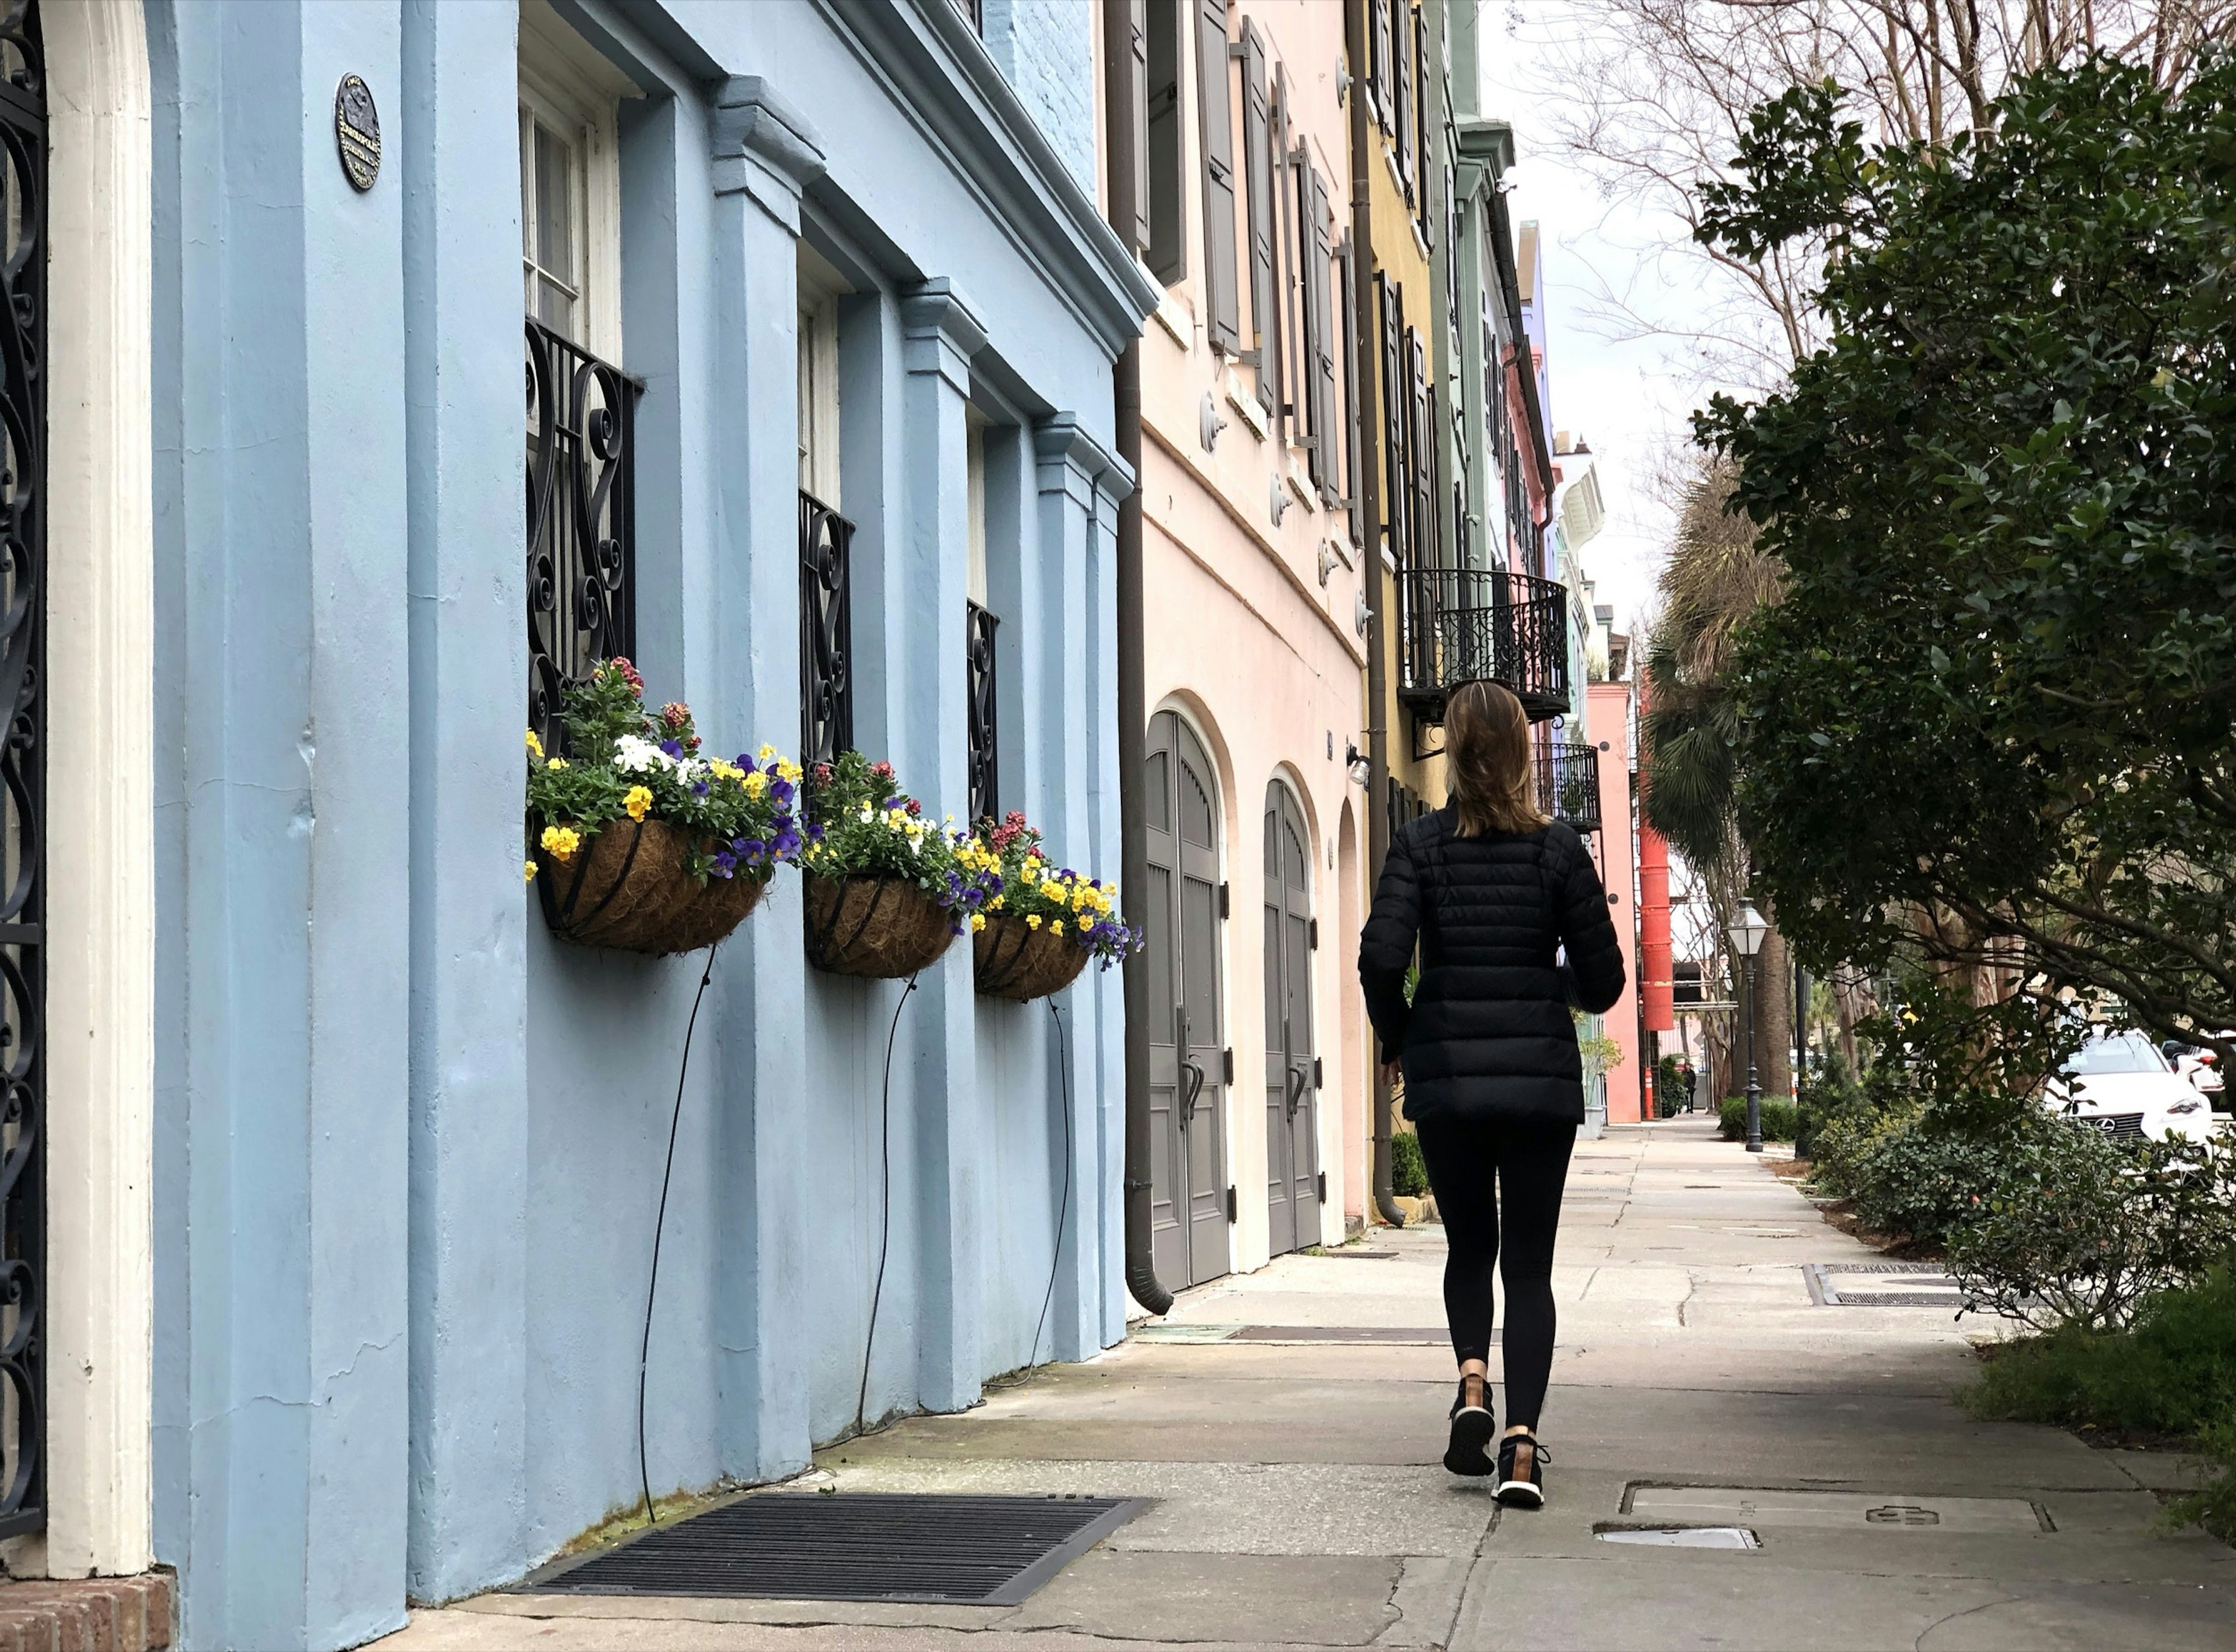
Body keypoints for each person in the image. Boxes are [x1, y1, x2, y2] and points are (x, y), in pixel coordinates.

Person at [1357, 680, 1626, 1507]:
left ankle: (1473, 1385)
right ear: (1518, 753)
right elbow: (1606, 980)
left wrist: (1401, 1037)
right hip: (1539, 1085)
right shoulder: (1559, 851)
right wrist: (1550, 985)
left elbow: (1378, 957)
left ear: (1457, 753)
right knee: (1531, 1267)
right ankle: (1521, 1449)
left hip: (1449, 1078)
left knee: (1470, 1248)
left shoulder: (1420, 845)